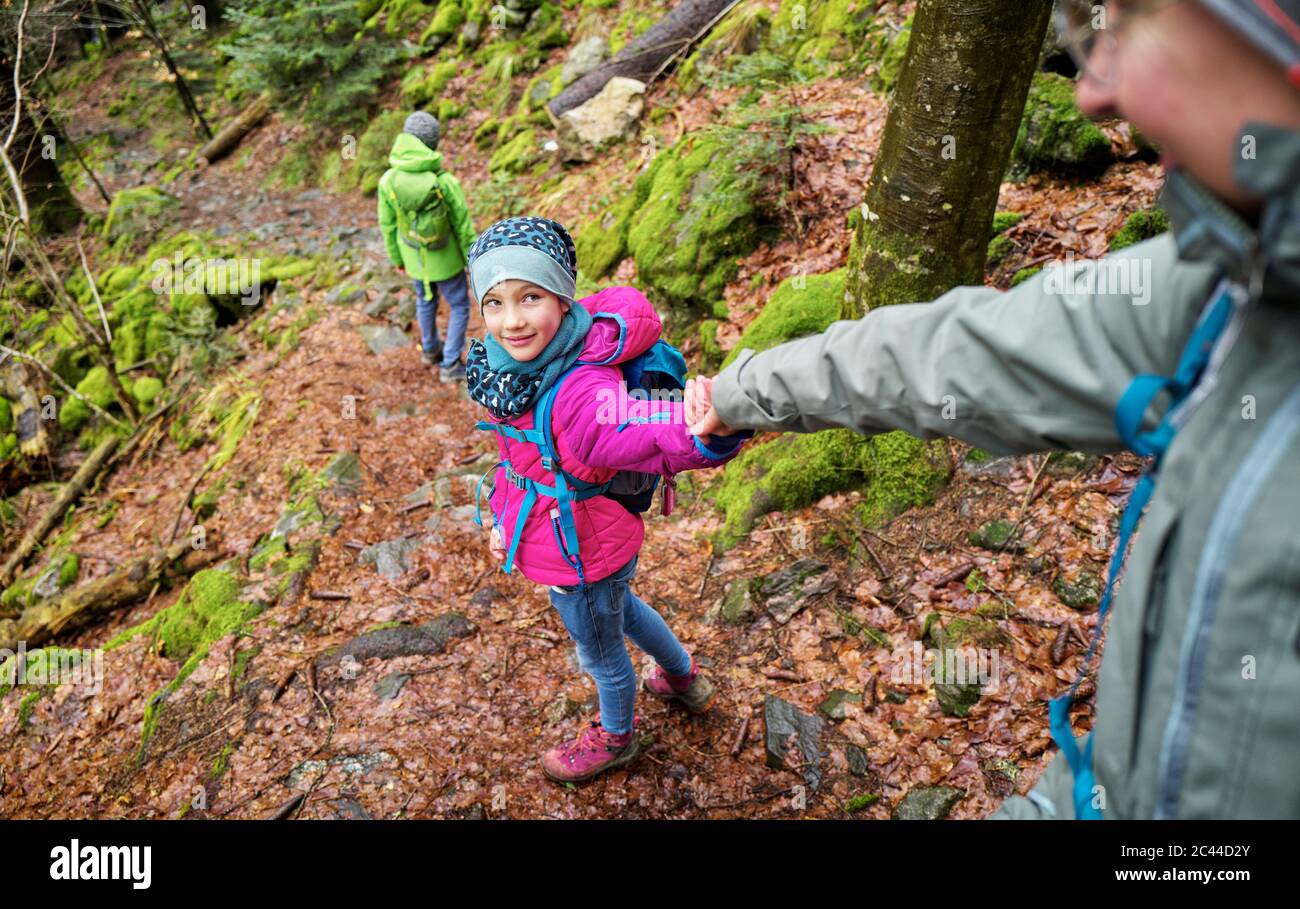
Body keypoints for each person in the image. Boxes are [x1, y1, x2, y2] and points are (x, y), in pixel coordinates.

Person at [688, 0, 1300, 819]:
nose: (1094, 91)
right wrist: (741, 393)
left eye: (1133, 22)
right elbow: (957, 351)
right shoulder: (1227, 294)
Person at [464, 216, 755, 783]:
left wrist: (705, 427)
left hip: (581, 553)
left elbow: (641, 429)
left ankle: (616, 737)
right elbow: (520, 461)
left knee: (600, 654)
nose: (513, 320)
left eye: (530, 297)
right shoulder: (523, 368)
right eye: (494, 303)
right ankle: (683, 678)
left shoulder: (577, 389)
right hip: (586, 537)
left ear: (562, 296)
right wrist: (505, 515)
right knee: (623, 611)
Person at [377, 111, 477, 383]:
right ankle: (451, 363)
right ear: (432, 144)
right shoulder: (444, 182)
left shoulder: (388, 181)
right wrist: (473, 256)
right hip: (446, 261)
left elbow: (387, 225)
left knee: (424, 300)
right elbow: (462, 224)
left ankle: (430, 350)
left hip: (413, 260)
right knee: (459, 306)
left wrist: (396, 257)